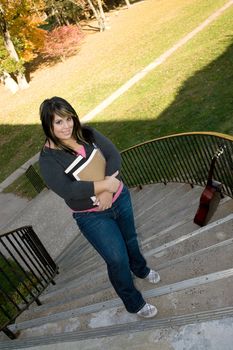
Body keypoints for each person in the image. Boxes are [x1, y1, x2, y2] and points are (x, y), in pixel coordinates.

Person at [39, 96, 160, 318]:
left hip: (119, 198)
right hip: (92, 217)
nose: (66, 126)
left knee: (131, 240)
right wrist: (105, 185)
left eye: (68, 119)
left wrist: (106, 190)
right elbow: (68, 190)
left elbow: (113, 156)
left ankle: (141, 269)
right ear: (48, 125)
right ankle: (134, 303)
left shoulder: (88, 133)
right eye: (58, 122)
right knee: (116, 258)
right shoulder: (48, 160)